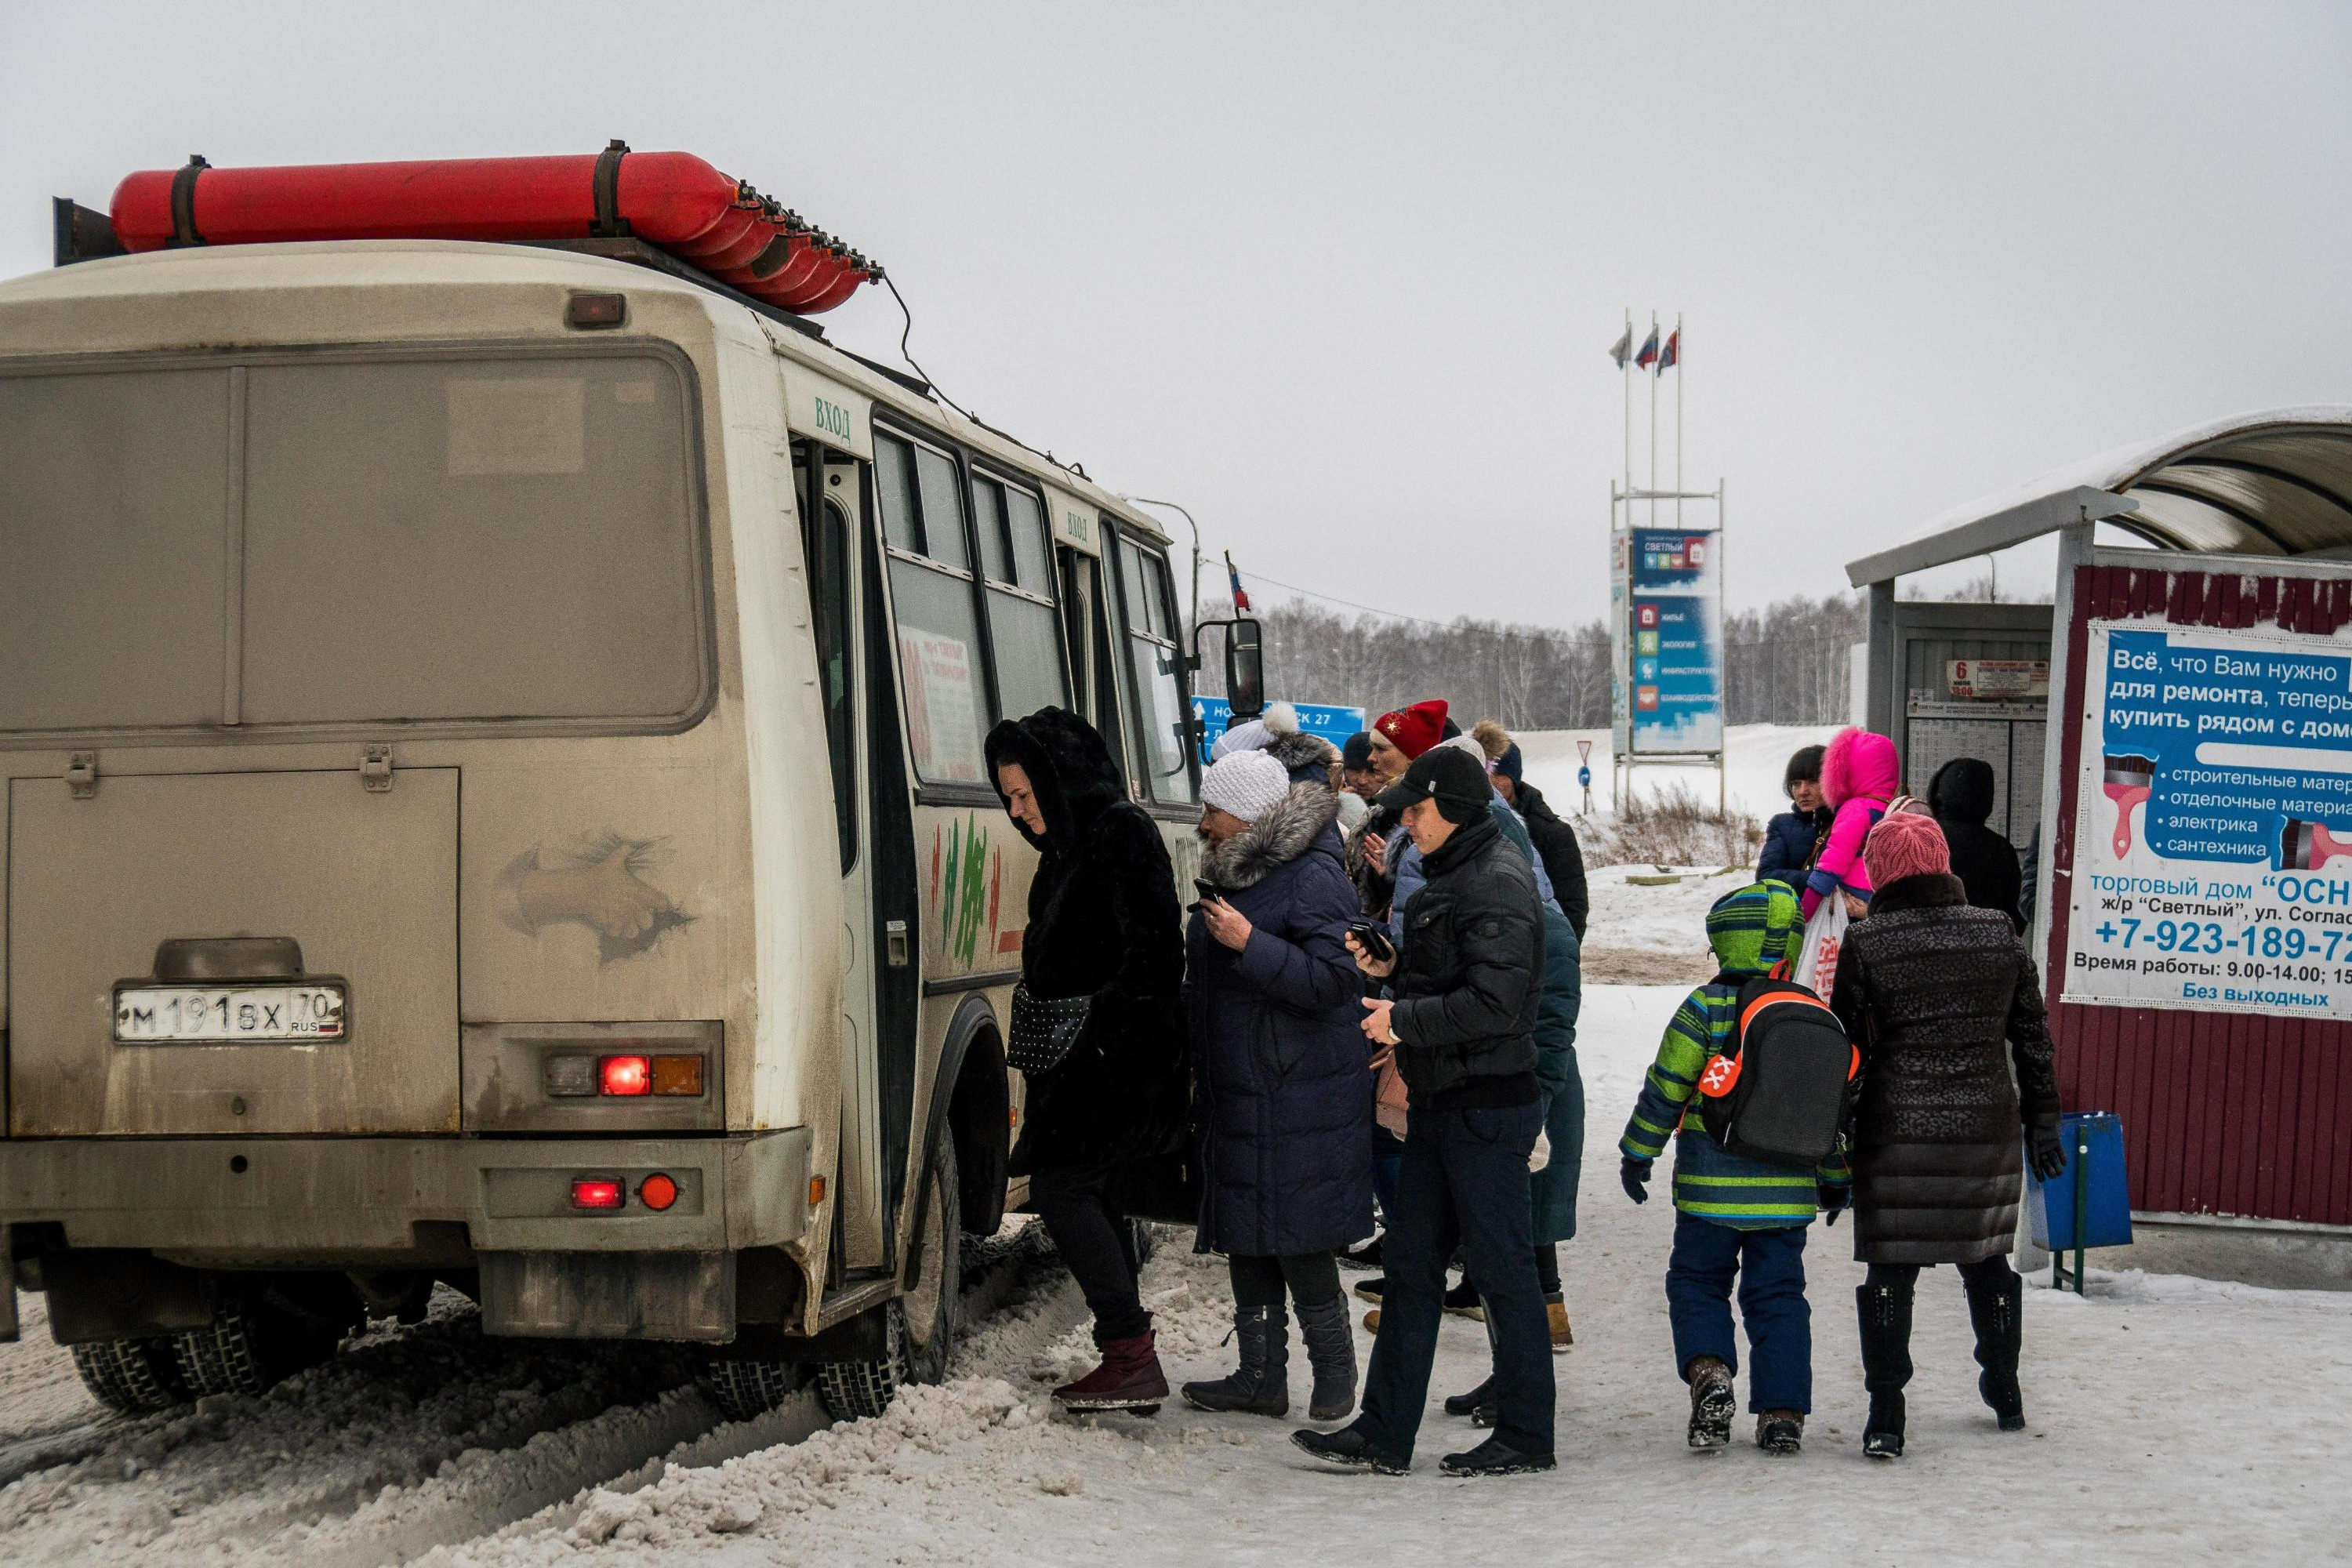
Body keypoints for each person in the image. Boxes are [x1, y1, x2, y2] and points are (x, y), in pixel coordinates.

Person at [1293, 745, 1555, 1478]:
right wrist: (1393, 967)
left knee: (1503, 1274)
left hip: (1486, 1106)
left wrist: (1402, 1019)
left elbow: (1496, 1003)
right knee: (1411, 1269)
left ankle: (1529, 1434)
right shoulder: (1459, 871)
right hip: (1446, 1102)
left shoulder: (1497, 881)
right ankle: (1384, 1431)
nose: (1406, 820)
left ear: (1457, 809)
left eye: (1418, 808)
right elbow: (1457, 977)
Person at [1829, 810, 2065, 1460]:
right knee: (1987, 1263)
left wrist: (1834, 1143)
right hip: (1985, 1127)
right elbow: (2032, 1039)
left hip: (1895, 1130)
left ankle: (1886, 1414)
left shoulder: (1869, 942)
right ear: (1943, 862)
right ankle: (2007, 1390)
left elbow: (1844, 1052)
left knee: (1889, 1274)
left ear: (1880, 871)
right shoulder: (1999, 934)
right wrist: (2043, 1118)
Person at [985, 707, 1189, 1414]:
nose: (1017, 810)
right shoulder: (1067, 849)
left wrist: (1103, 1031)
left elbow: (1158, 954)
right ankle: (1127, 1354)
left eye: (1025, 793)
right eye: (1008, 797)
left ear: (1061, 777)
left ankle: (1130, 1352)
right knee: (1084, 1194)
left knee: (1064, 1191)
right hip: (1078, 1063)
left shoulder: (1118, 834)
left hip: (1109, 1067)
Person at [1618, 881, 1851, 1456]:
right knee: (1779, 1296)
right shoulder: (1812, 1012)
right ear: (1787, 949)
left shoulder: (1705, 1006)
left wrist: (1638, 1151)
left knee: (1697, 1283)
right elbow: (1830, 1108)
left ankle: (1710, 1373)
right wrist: (1836, 1176)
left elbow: (1667, 1085)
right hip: (1787, 1192)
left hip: (1708, 1191)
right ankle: (1782, 1412)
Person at [1181, 748, 1370, 1424]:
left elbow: (1336, 982)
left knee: (1300, 1237)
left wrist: (1247, 942)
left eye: (1214, 810)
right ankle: (1260, 1377)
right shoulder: (1239, 870)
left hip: (1299, 1088)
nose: (1205, 823)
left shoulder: (1315, 877)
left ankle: (1336, 1374)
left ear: (1251, 814)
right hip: (1244, 1084)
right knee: (1249, 1231)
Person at [1474, 718, 1591, 940]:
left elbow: (1572, 904)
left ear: (1514, 778)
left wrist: (1562, 952)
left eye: (1499, 774)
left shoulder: (1550, 832)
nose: (1490, 782)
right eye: (1484, 773)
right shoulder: (1463, 824)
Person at [1802, 727, 1899, 922]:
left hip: (1853, 901)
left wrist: (1804, 913)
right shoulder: (1897, 808)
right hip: (1886, 901)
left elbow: (1832, 864)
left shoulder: (1856, 809)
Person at [1928, 757, 2024, 933]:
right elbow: (2014, 918)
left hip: (1925, 949)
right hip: (1984, 951)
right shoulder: (2000, 850)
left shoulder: (1922, 839)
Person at [1758, 745, 1831, 891]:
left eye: (1813, 781)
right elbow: (1766, 876)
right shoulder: (1781, 825)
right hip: (1796, 912)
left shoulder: (1848, 822)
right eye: (1796, 784)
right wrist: (1821, 880)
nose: (1803, 791)